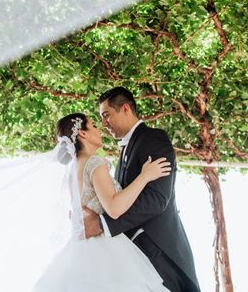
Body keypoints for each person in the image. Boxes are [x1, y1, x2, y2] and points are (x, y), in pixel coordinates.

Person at [33, 112, 172, 291]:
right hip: (104, 247)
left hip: (82, 249)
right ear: (83, 134)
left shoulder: (73, 169)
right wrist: (145, 176)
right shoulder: (94, 163)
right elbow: (114, 208)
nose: (100, 130)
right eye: (94, 126)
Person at [84, 86, 200, 292]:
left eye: (106, 115)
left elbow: (157, 198)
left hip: (158, 249)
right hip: (134, 255)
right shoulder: (124, 150)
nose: (104, 123)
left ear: (126, 108)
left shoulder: (153, 138)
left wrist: (104, 225)